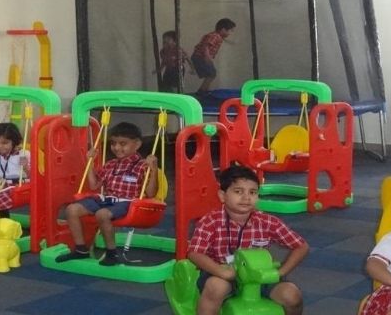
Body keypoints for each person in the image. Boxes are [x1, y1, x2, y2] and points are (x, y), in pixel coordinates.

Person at [188, 165, 309, 315]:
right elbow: (194, 253)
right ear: (222, 195)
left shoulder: (267, 222)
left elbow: (301, 246)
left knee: (292, 295)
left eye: (252, 192)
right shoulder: (210, 221)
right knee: (215, 288)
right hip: (222, 272)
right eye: (238, 191)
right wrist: (221, 271)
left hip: (259, 275)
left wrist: (281, 272)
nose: (246, 197)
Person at [56, 122, 158, 266]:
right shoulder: (110, 165)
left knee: (102, 214)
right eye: (113, 143)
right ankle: (81, 249)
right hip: (107, 200)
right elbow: (94, 185)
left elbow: (151, 193)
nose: (117, 147)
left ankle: (111, 253)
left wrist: (154, 170)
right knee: (71, 209)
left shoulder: (143, 166)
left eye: (123, 144)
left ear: (137, 144)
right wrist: (90, 164)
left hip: (128, 202)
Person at [191, 18, 236, 95]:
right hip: (201, 57)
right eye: (230, 31)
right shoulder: (215, 36)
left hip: (199, 56)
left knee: (211, 74)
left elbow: (220, 39)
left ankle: (205, 90)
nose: (230, 33)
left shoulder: (217, 36)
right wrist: (207, 56)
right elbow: (206, 45)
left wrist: (230, 42)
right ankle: (202, 91)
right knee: (211, 74)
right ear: (223, 30)